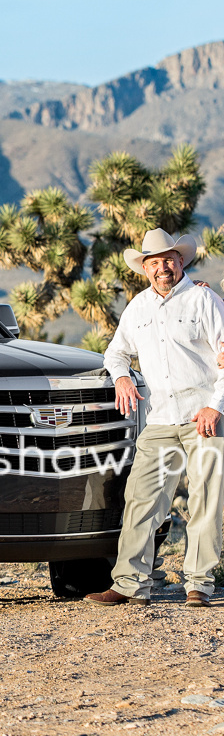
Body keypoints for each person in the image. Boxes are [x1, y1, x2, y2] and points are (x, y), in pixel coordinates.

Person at [85, 228, 224, 608]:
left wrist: (216, 405)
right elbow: (114, 353)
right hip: (160, 422)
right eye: (154, 262)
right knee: (142, 500)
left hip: (204, 420)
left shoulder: (203, 299)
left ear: (181, 261)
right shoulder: (138, 308)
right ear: (144, 268)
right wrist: (123, 377)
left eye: (169, 259)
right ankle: (130, 583)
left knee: (206, 501)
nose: (162, 267)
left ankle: (199, 584)